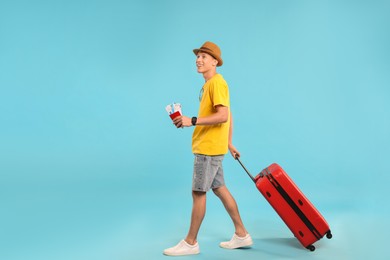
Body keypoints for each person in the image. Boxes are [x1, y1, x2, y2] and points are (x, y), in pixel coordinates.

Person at [163, 41, 253, 256]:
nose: (199, 59)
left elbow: (222, 116)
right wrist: (229, 144)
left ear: (215, 62)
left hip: (207, 149)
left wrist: (191, 120)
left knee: (198, 193)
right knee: (219, 188)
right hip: (214, 147)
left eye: (204, 56)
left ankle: (191, 242)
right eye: (198, 56)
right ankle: (241, 235)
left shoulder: (216, 83)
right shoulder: (210, 84)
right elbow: (228, 115)